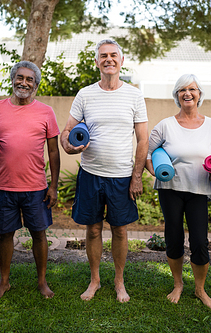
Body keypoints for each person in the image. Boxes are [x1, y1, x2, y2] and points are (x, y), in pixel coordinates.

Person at [60, 39, 149, 303]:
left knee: (120, 231)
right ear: (97, 62)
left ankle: (119, 282)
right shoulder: (85, 94)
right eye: (103, 56)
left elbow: (143, 140)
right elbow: (66, 132)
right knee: (93, 230)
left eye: (113, 55)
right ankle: (95, 280)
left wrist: (136, 177)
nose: (108, 59)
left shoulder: (134, 95)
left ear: (121, 61)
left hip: (121, 177)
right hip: (91, 174)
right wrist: (68, 147)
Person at [0, 61, 60, 300]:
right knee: (5, 235)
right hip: (4, 186)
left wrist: (53, 186)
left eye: (29, 79)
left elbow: (53, 151)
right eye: (20, 77)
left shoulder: (46, 112)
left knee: (39, 234)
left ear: (35, 85)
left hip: (36, 188)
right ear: (13, 79)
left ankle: (42, 281)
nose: (24, 82)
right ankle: (4, 282)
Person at [145, 74, 211, 308]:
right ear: (177, 96)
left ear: (200, 94)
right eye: (182, 90)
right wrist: (155, 171)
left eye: (192, 89)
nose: (187, 93)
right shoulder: (165, 125)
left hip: (198, 190)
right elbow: (148, 154)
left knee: (199, 241)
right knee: (173, 238)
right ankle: (178, 284)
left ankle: (200, 289)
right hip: (171, 189)